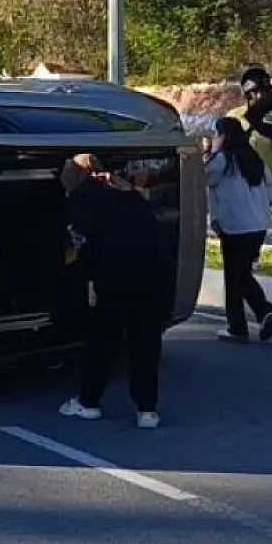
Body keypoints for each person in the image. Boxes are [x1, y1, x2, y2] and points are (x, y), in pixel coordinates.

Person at [58, 153, 167, 430]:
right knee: (145, 343)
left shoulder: (83, 196)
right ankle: (147, 410)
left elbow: (82, 243)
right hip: (150, 275)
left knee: (104, 341)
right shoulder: (126, 191)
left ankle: (88, 402)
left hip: (113, 276)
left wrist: (86, 279)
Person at [206, 117, 272, 344]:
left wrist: (212, 153)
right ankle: (263, 313)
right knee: (242, 273)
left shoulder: (221, 161)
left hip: (235, 226)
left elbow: (203, 177)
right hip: (258, 225)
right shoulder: (254, 158)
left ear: (224, 136)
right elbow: (271, 191)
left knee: (234, 276)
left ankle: (239, 326)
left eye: (216, 134)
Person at [230, 67, 272, 197]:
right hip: (240, 188)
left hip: (266, 190)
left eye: (267, 91)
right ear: (249, 94)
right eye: (260, 92)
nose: (265, 96)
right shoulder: (233, 117)